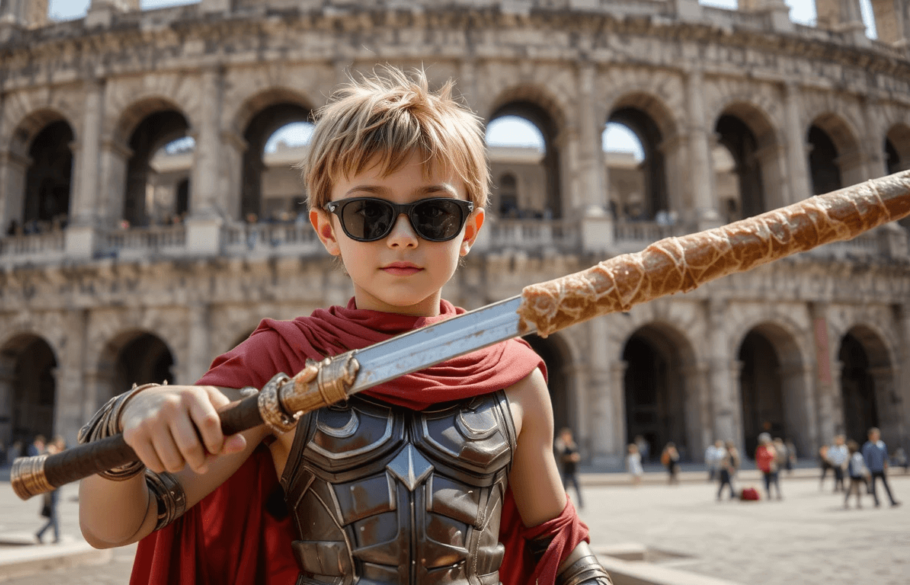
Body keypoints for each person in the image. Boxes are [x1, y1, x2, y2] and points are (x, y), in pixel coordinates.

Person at [77, 69, 608, 585]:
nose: (402, 237)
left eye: (434, 214)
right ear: (327, 230)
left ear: (469, 229)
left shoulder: (514, 374)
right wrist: (128, 413)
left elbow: (557, 543)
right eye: (369, 215)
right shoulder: (279, 362)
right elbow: (118, 524)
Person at [36, 437, 66, 543]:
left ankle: (43, 534)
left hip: (56, 488)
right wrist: (49, 452)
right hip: (52, 489)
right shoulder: (49, 453)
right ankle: (54, 536)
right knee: (54, 514)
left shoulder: (57, 455)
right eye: (58, 447)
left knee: (54, 514)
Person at [862, 427, 901, 508]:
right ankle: (876, 502)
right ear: (870, 436)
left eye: (877, 435)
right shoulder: (867, 446)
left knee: (886, 485)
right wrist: (867, 470)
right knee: (873, 487)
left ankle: (892, 500)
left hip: (881, 468)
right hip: (872, 470)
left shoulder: (881, 445)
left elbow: (885, 457)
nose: (875, 436)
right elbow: (865, 459)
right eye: (874, 435)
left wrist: (886, 466)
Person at [555, 428, 583, 509]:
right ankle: (562, 504)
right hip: (565, 470)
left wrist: (576, 457)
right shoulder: (560, 445)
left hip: (573, 470)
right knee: (564, 489)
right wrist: (570, 458)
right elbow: (560, 457)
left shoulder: (572, 444)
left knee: (577, 488)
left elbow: (576, 454)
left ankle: (581, 504)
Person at [755, 433, 781, 500]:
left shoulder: (771, 448)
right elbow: (758, 458)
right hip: (765, 468)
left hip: (772, 468)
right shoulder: (760, 449)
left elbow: (775, 457)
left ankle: (778, 493)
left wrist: (774, 463)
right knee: (767, 482)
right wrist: (759, 466)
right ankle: (769, 494)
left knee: (776, 481)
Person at [844, 440, 868, 509]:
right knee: (858, 490)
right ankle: (858, 503)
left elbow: (847, 467)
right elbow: (862, 465)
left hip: (853, 476)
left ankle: (847, 502)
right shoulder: (859, 456)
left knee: (850, 490)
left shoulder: (850, 457)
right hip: (859, 475)